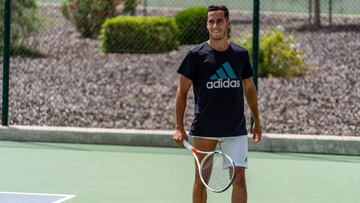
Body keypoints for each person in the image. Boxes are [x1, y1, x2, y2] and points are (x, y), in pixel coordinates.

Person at [173, 5, 262, 203]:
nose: (215, 25)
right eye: (211, 21)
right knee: (202, 180)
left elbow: (249, 88)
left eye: (219, 21)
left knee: (239, 178)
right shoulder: (195, 56)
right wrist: (179, 127)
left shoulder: (240, 54)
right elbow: (182, 92)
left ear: (228, 23)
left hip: (235, 129)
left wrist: (257, 119)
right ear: (206, 25)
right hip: (204, 129)